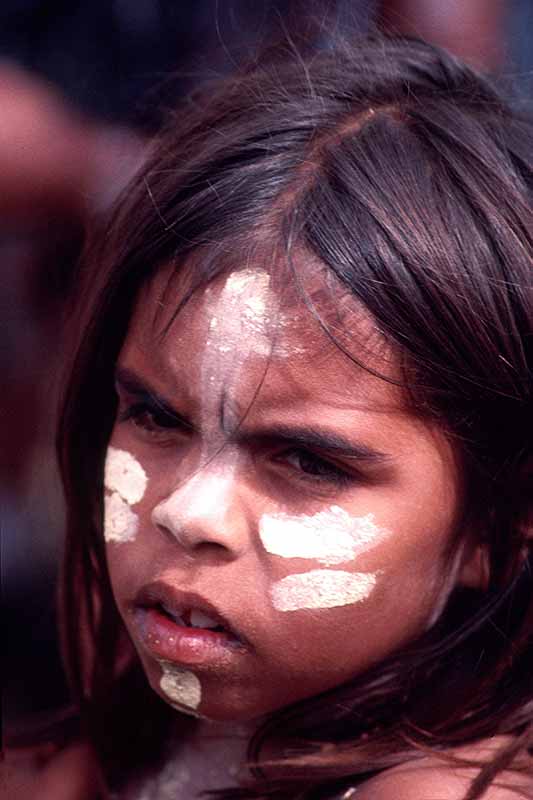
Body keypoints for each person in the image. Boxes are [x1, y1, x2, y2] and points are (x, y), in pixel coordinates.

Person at [38, 35, 533, 799]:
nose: (186, 511)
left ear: (498, 527)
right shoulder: (130, 732)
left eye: (306, 461)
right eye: (156, 416)